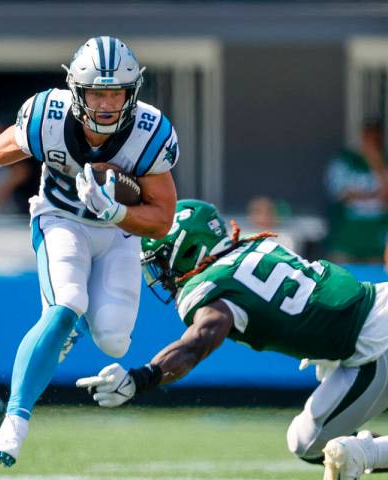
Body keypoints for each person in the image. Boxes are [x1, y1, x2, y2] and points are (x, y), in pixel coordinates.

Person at [0, 36, 178, 466]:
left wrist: (118, 211)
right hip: (60, 219)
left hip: (119, 233)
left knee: (115, 341)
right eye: (97, 92)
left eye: (115, 92)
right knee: (65, 304)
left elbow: (160, 219)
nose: (105, 104)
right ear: (76, 91)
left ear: (131, 92)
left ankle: (72, 330)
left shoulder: (149, 132)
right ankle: (16, 419)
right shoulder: (48, 116)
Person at [77, 199, 388, 480]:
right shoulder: (254, 248)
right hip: (366, 332)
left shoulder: (210, 285)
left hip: (372, 339)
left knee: (322, 445)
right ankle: (363, 450)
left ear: (190, 249)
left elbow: (200, 340)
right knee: (305, 442)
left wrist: (144, 377)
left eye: (162, 261)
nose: (161, 273)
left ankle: (366, 453)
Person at [325, 119, 388, 263]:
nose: (372, 143)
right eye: (368, 138)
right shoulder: (345, 160)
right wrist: (372, 194)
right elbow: (343, 195)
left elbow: (385, 196)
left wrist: (376, 162)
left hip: (378, 239)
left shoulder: (384, 160)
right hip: (346, 238)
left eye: (376, 139)